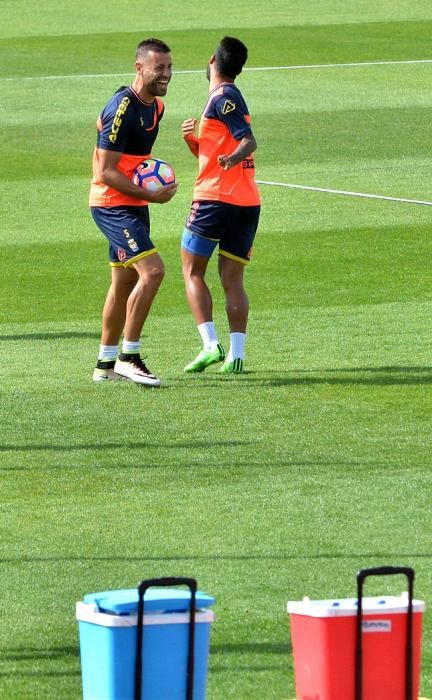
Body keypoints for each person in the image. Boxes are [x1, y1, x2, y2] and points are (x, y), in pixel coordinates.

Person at [90, 38, 177, 386]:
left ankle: (104, 364)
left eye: (170, 67)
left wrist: (145, 191)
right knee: (153, 271)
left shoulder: (155, 107)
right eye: (160, 68)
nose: (167, 74)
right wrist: (151, 195)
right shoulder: (121, 108)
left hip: (133, 204)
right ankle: (130, 355)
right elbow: (105, 173)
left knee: (124, 281)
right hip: (112, 206)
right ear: (139, 67)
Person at [180, 36, 261, 375]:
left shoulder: (222, 97)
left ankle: (211, 345)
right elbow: (213, 152)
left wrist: (232, 158)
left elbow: (247, 140)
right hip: (247, 202)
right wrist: (194, 141)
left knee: (191, 270)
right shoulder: (228, 96)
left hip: (215, 199)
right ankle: (237, 355)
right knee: (233, 279)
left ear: (211, 59)